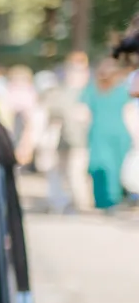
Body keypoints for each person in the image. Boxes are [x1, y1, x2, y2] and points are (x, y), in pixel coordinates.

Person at [24, 52, 94, 213]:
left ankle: (83, 205)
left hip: (82, 140)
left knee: (77, 173)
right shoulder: (60, 92)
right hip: (62, 140)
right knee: (61, 173)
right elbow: (47, 114)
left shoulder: (89, 92)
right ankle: (64, 203)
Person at [83, 57, 134, 210]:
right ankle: (111, 199)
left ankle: (106, 200)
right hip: (114, 133)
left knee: (103, 166)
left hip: (102, 132)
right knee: (109, 167)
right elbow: (129, 112)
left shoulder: (94, 89)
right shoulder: (119, 90)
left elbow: (83, 113)